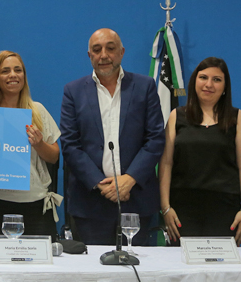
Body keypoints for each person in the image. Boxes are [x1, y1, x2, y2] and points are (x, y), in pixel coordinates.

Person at [59, 28, 165, 246]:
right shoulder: (73, 91)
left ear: (122, 52)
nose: (104, 55)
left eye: (110, 48)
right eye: (96, 50)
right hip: (90, 203)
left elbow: (155, 139)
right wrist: (101, 184)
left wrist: (129, 179)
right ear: (89, 56)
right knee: (93, 276)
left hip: (136, 200)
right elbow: (70, 145)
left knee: (138, 273)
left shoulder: (144, 87)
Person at [158, 57, 241, 246]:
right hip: (181, 211)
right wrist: (165, 207)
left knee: (220, 271)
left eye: (217, 79)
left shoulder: (237, 118)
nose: (209, 84)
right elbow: (166, 163)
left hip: (225, 211)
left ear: (225, 86)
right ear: (195, 81)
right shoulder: (177, 116)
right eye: (203, 77)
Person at [0, 51, 62, 244]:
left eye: (18, 70)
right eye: (5, 71)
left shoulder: (38, 110)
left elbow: (54, 157)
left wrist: (39, 144)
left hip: (35, 206)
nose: (13, 75)